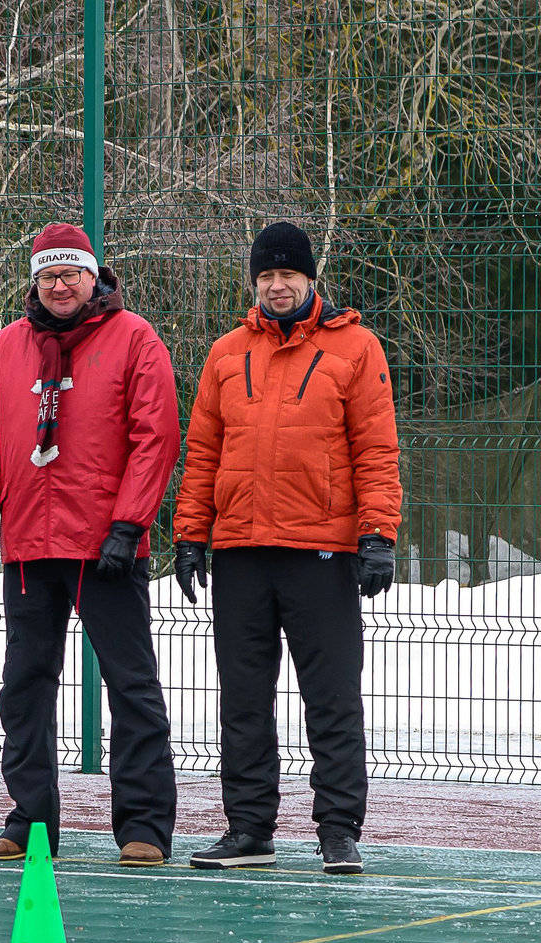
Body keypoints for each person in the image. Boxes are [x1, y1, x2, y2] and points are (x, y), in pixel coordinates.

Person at [170, 221, 403, 875]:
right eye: (267, 276)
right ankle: (249, 830)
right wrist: (190, 535)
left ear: (310, 280)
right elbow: (204, 451)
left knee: (331, 697)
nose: (277, 286)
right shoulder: (225, 354)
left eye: (288, 275)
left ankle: (338, 831)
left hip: (321, 550)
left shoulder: (356, 349)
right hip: (240, 549)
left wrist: (377, 534)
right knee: (244, 700)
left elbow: (376, 449)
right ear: (255, 281)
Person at [0, 223, 181, 867]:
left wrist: (129, 524)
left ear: (93, 277)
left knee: (130, 685)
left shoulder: (135, 338)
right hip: (29, 544)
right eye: (48, 276)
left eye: (71, 274)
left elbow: (155, 437)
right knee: (24, 685)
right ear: (35, 282)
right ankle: (30, 821)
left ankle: (143, 827)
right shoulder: (8, 347)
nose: (60, 286)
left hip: (107, 547)